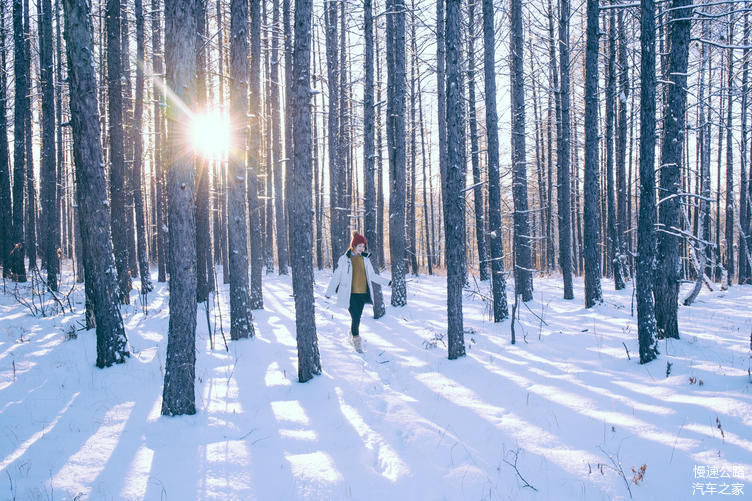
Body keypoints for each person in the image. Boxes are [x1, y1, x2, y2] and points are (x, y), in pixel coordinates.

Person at [325, 232, 391, 353]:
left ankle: (352, 333)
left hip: (362, 294)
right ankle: (356, 340)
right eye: (360, 246)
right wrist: (329, 292)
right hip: (349, 294)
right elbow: (336, 276)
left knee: (357, 318)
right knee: (355, 317)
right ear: (353, 246)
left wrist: (388, 282)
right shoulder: (345, 259)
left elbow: (372, 276)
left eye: (363, 246)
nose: (362, 248)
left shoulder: (365, 259)